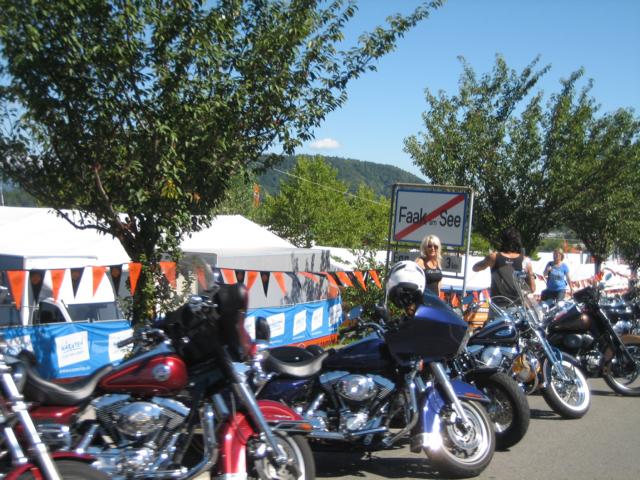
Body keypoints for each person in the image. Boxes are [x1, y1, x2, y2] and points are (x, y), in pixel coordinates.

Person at [472, 227, 535, 307]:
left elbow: (475, 268)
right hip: (518, 307)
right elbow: (532, 289)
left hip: (498, 307)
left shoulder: (494, 257)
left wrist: (487, 260)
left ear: (502, 241)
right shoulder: (525, 261)